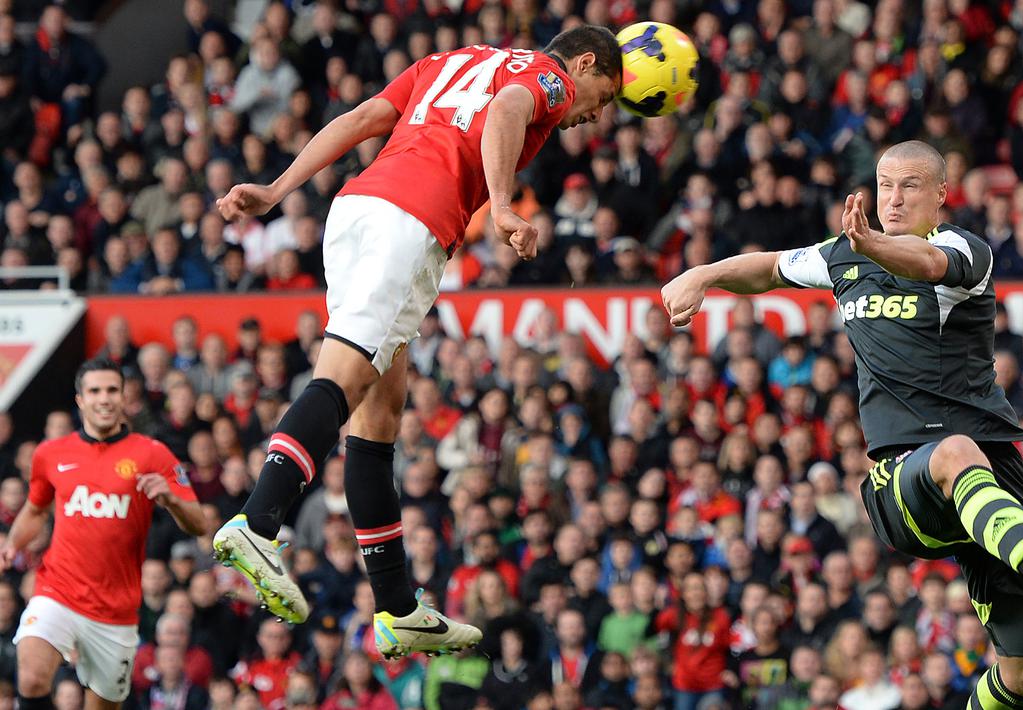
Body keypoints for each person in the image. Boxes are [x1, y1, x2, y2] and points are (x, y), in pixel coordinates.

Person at [210, 25, 622, 659]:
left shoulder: (450, 59)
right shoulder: (551, 77)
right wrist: (504, 206)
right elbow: (510, 109)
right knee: (345, 382)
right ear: (586, 62)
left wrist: (279, 188)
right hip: (412, 220)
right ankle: (259, 520)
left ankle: (399, 608)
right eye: (606, 94)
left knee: (379, 415)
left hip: (358, 209)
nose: (596, 113)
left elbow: (362, 118)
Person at [662, 140, 1023, 710]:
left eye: (910, 186)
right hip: (901, 481)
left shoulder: (964, 249)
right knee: (953, 452)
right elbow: (770, 267)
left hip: (993, 472)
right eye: (885, 185)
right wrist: (703, 274)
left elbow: (927, 263)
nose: (893, 199)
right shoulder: (843, 256)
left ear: (941, 195)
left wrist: (873, 244)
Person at [0, 360, 204, 710]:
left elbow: (199, 523)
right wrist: (11, 545)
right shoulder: (51, 453)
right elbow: (35, 510)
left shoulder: (152, 453)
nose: (104, 399)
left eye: (112, 390)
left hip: (115, 610)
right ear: (80, 399)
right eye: (95, 391)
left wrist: (170, 500)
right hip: (58, 590)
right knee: (32, 676)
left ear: (124, 397)